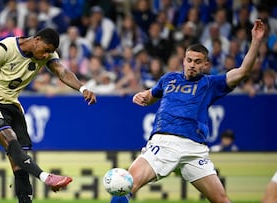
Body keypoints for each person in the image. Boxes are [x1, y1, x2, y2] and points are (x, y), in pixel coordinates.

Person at [110, 19, 265, 203]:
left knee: (222, 200)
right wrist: (142, 96)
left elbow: (243, 71)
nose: (192, 65)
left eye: (197, 62)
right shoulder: (169, 79)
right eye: (189, 60)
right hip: (164, 143)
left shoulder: (210, 84)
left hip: (194, 149)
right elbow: (151, 96)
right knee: (125, 186)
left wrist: (255, 41)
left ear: (206, 65)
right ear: (183, 60)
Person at [0, 27, 97, 203]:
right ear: (36, 40)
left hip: (14, 106)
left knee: (18, 164)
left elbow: (62, 71)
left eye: (50, 53)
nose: (46, 55)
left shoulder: (46, 55)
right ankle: (45, 177)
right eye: (46, 50)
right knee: (10, 139)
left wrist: (82, 88)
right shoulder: (4, 49)